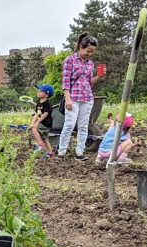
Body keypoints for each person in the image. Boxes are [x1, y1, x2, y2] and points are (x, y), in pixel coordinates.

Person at [57, 32, 106, 161]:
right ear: (81, 47)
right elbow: (65, 81)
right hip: (73, 98)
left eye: (92, 52)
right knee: (69, 125)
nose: (89, 54)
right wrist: (67, 99)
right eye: (88, 51)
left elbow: (90, 82)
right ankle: (61, 151)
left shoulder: (90, 64)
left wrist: (99, 76)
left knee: (83, 126)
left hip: (87, 97)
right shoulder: (69, 60)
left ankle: (80, 151)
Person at [29, 83, 55, 158]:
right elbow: (37, 114)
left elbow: (45, 114)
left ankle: (39, 144)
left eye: (40, 91)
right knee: (45, 138)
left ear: (46, 95)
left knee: (34, 129)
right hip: (42, 123)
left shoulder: (47, 104)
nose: (38, 92)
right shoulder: (39, 104)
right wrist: (32, 123)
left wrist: (37, 123)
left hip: (46, 123)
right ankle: (50, 154)